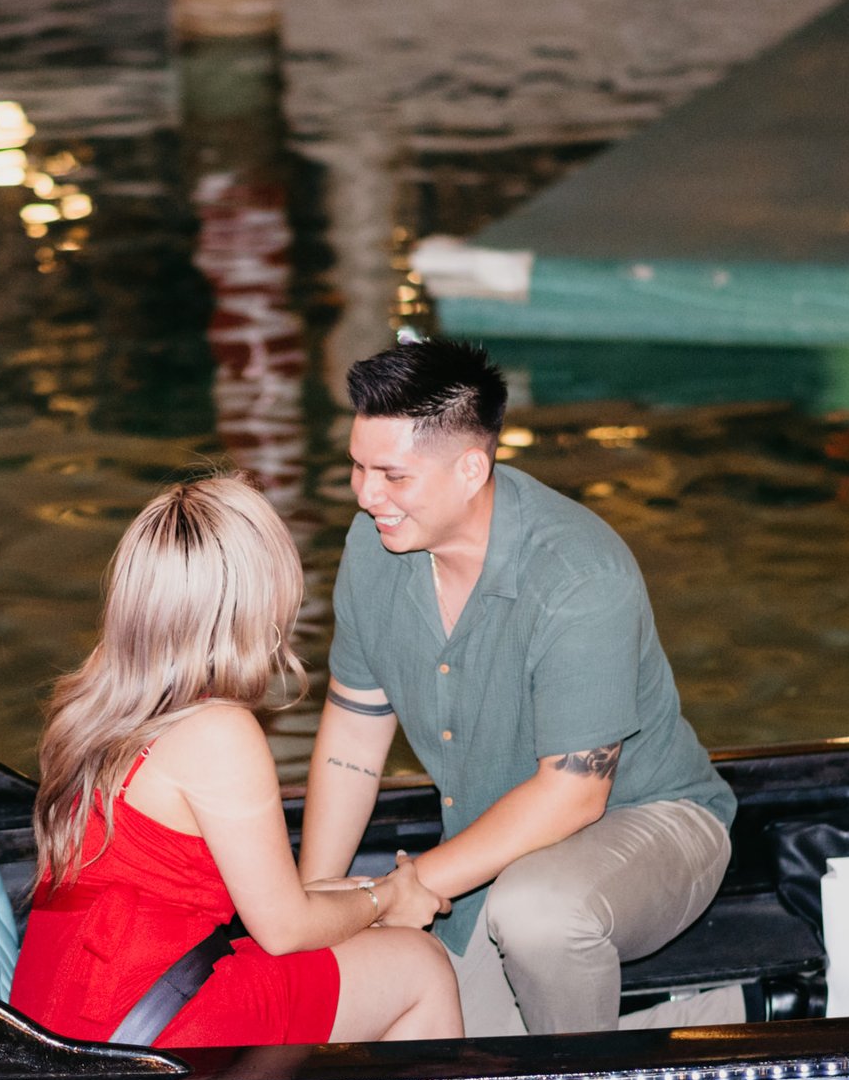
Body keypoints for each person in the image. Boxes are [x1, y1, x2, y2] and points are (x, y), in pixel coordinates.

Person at [296, 340, 735, 1037]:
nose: (365, 493)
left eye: (392, 475)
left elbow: (574, 793)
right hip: (492, 846)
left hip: (653, 819)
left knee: (536, 913)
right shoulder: (372, 549)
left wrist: (414, 887)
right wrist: (309, 909)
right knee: (415, 1022)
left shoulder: (578, 576)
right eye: (356, 466)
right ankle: (718, 1018)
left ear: (472, 468)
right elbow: (353, 735)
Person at [8, 475, 462, 1048]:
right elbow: (283, 929)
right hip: (137, 1028)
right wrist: (390, 897)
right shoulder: (217, 731)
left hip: (62, 1010)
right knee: (419, 965)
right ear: (254, 603)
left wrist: (358, 899)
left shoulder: (96, 702)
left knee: (365, 938)